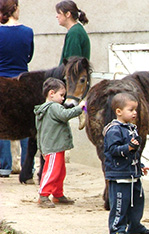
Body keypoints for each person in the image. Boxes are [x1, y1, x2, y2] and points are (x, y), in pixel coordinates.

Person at [103, 93, 149, 234]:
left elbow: (134, 152)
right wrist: (128, 148)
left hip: (133, 173)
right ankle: (117, 227)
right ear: (119, 111)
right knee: (120, 201)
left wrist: (140, 165)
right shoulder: (114, 130)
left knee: (137, 200)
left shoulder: (132, 128)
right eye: (131, 110)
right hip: (119, 174)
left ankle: (134, 224)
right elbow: (112, 150)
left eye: (135, 110)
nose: (135, 113)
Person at [34, 78, 86, 208]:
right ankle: (43, 195)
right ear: (51, 93)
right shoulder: (54, 107)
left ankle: (57, 194)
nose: (63, 98)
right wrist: (80, 108)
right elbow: (65, 115)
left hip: (54, 146)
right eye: (61, 95)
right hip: (53, 147)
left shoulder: (44, 109)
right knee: (52, 171)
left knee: (59, 172)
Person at [0, 0, 34, 178]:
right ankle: (27, 166)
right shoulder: (28, 32)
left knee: (2, 123)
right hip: (22, 81)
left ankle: (4, 166)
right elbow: (29, 56)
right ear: (15, 9)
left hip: (2, 82)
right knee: (26, 125)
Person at [56, 0, 90, 65]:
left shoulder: (74, 33)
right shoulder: (76, 30)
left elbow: (72, 63)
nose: (57, 16)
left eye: (59, 13)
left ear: (68, 14)